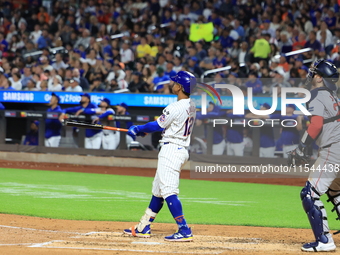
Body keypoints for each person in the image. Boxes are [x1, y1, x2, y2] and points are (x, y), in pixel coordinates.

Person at [123, 71, 196, 241]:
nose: (172, 84)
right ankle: (144, 226)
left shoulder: (175, 106)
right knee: (158, 191)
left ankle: (184, 229)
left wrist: (138, 129)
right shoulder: (191, 105)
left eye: (175, 82)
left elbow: (157, 124)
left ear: (180, 87)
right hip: (179, 148)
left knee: (169, 191)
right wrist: (144, 131)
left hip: (172, 150)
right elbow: (166, 126)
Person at [288, 60, 340, 252]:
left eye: (314, 73)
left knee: (310, 193)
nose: (311, 76)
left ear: (320, 77)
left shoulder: (317, 93)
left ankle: (325, 241)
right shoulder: (332, 95)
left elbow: (316, 125)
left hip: (333, 150)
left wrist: (302, 146)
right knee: (335, 192)